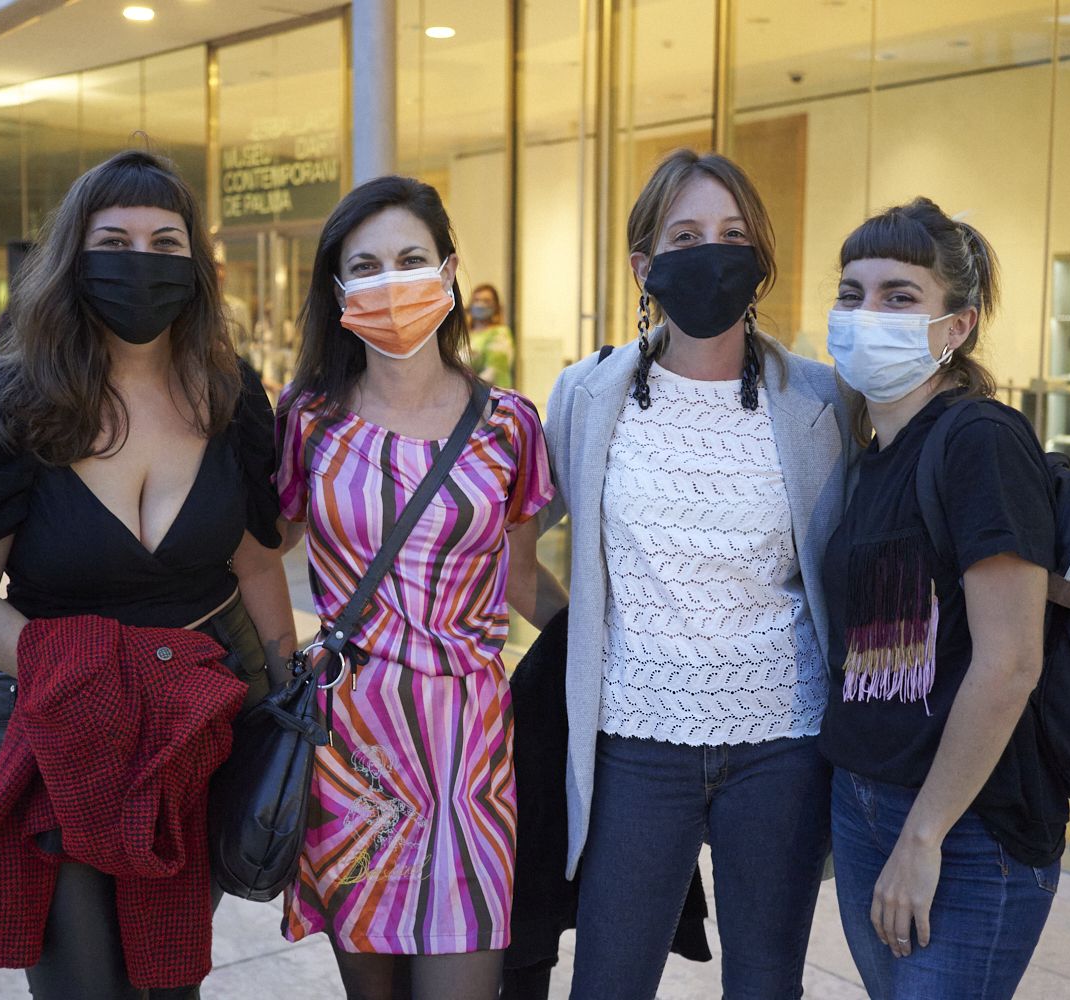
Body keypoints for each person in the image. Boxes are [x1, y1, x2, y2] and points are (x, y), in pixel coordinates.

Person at [0, 149, 297, 999]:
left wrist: (288, 694)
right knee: (82, 981)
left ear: (196, 264)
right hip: (55, 724)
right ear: (71, 260)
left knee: (169, 977)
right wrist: (85, 676)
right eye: (115, 240)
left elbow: (258, 560)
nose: (142, 263)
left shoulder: (227, 394)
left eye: (167, 244)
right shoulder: (14, 398)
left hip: (197, 726)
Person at [539, 149, 854, 1000]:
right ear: (644, 265)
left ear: (759, 260)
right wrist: (586, 634)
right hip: (637, 745)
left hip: (783, 744)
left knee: (765, 983)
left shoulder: (822, 401)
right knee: (608, 980)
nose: (711, 253)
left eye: (732, 235)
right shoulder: (586, 394)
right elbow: (508, 540)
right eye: (686, 236)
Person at [274, 175, 565, 1000]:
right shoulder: (306, 420)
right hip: (350, 748)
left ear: (447, 271)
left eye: (409, 258)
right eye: (364, 266)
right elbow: (260, 556)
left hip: (471, 752)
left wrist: (603, 646)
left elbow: (518, 578)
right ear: (337, 291)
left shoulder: (510, 422)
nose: (388, 282)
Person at [820, 198, 1067, 999]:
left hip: (964, 826)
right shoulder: (870, 453)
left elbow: (1010, 662)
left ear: (956, 327)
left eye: (900, 296)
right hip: (863, 804)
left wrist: (924, 835)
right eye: (851, 293)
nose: (866, 314)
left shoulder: (979, 441)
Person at [467, 283, 514, 388]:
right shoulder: (465, 334)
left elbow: (493, 372)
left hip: (490, 396)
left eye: (486, 301)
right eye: (477, 300)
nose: (480, 305)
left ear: (495, 306)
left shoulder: (500, 334)